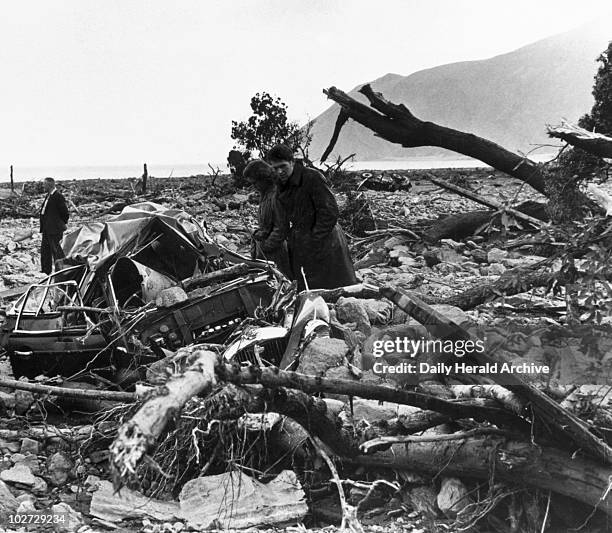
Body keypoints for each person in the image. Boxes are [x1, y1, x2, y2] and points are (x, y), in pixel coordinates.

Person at [267, 144, 357, 291]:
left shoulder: (312, 177)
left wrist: (314, 238)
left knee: (338, 288)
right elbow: (282, 220)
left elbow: (329, 212)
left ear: (292, 162)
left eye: (283, 166)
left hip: (326, 238)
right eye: (275, 168)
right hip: (301, 241)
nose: (280, 171)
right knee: (309, 290)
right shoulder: (280, 186)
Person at [243, 159, 292, 279]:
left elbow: (281, 228)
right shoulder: (265, 195)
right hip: (266, 250)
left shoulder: (276, 196)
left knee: (280, 282)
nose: (254, 187)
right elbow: (267, 224)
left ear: (264, 178)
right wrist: (259, 233)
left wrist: (265, 246)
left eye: (255, 183)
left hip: (276, 252)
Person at [39, 177, 69, 274]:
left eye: (44, 184)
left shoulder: (58, 196)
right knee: (45, 252)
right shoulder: (48, 196)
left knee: (57, 253)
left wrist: (59, 224)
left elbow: (65, 213)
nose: (43, 186)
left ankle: (60, 273)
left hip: (55, 230)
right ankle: (45, 272)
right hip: (47, 229)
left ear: (49, 185)